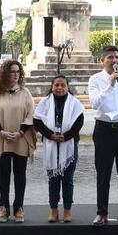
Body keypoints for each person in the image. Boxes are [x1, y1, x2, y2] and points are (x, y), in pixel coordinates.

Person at [88, 45, 118, 226]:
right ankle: (102, 213)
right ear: (103, 61)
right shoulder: (95, 80)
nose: (114, 60)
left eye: (117, 57)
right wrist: (109, 84)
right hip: (104, 129)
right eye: (110, 57)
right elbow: (94, 103)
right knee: (103, 173)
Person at [0, 59, 36, 223]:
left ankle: (19, 207)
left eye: (18, 72)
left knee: (20, 175)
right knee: (3, 175)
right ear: (5, 73)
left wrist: (21, 132)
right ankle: (3, 207)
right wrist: (2, 132)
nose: (15, 74)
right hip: (3, 139)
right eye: (12, 71)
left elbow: (31, 114)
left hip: (20, 139)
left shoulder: (25, 93)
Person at [34, 75, 84, 223]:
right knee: (53, 179)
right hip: (51, 143)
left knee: (68, 179)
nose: (60, 88)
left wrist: (66, 136)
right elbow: (37, 121)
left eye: (63, 85)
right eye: (56, 85)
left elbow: (78, 122)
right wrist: (50, 135)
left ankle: (67, 210)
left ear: (67, 87)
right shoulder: (45, 103)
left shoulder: (75, 103)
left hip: (69, 144)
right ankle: (53, 210)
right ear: (52, 86)